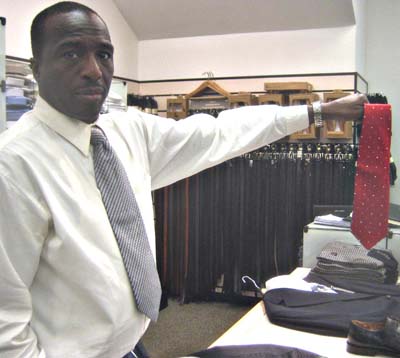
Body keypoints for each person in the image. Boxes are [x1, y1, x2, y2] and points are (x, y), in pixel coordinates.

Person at [0, 2, 367, 357]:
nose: (94, 70)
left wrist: (317, 111)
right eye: (71, 54)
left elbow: (219, 132)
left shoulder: (126, 132)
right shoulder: (14, 167)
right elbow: (5, 323)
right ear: (36, 67)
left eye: (104, 54)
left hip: (132, 346)